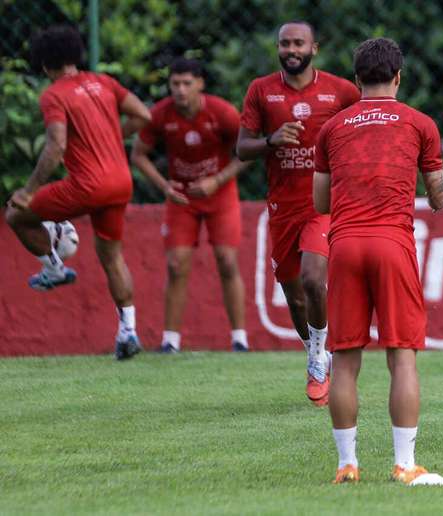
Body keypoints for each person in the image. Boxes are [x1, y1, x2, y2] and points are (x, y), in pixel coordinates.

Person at [314, 37, 443, 485]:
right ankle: (404, 463)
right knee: (402, 357)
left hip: (344, 246)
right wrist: (438, 192)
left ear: (356, 80)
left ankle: (346, 465)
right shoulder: (420, 123)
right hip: (392, 244)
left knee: (344, 360)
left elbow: (320, 202)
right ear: (398, 77)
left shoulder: (332, 128)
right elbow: (437, 196)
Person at [5, 25, 151, 360]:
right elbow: (143, 115)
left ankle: (54, 267)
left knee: (16, 213)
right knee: (112, 256)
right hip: (121, 182)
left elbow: (56, 145)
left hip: (88, 185)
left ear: (44, 64)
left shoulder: (54, 95)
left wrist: (29, 190)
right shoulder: (104, 82)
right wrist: (113, 136)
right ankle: (128, 331)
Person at [237, 21, 361, 405]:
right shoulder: (261, 90)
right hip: (282, 207)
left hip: (322, 204)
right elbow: (242, 148)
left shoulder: (340, 91)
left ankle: (319, 360)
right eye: (285, 44)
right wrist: (271, 140)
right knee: (294, 297)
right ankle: (315, 352)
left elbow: (365, 130)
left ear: (314, 48)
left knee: (312, 278)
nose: (291, 50)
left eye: (298, 43)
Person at [131, 58, 250, 353]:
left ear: (200, 84)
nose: (181, 90)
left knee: (227, 260)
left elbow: (247, 153)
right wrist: (164, 186)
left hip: (220, 194)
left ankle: (240, 339)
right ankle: (170, 341)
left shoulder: (222, 112)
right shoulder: (160, 114)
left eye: (187, 83)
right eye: (175, 84)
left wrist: (217, 180)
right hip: (182, 198)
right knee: (176, 264)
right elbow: (138, 155)